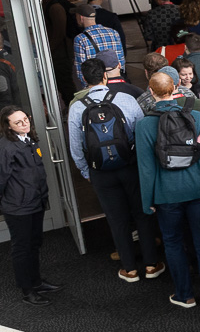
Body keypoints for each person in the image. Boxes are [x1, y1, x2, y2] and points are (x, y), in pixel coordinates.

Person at [68, 59, 163, 283]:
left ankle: (129, 269)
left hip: (101, 172)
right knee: (141, 214)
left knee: (116, 219)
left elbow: (75, 147)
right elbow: (142, 133)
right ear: (105, 77)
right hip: (130, 166)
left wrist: (86, 172)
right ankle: (151, 265)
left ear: (84, 80)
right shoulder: (125, 99)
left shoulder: (76, 108)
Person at [136, 73, 200, 309]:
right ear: (175, 88)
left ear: (151, 92)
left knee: (173, 243)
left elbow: (146, 169)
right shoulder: (195, 116)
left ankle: (185, 295)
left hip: (166, 195)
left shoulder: (144, 125)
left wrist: (147, 201)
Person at [0, 106, 54, 306]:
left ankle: (36, 282)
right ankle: (27, 290)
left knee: (34, 244)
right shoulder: (5, 147)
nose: (25, 124)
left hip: (35, 202)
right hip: (18, 207)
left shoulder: (29, 140)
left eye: (26, 119)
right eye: (18, 122)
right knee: (22, 248)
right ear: (8, 126)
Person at [71, 4, 127, 91]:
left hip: (96, 87)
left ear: (81, 18)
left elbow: (81, 72)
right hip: (116, 84)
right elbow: (122, 62)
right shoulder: (114, 33)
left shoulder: (80, 39)